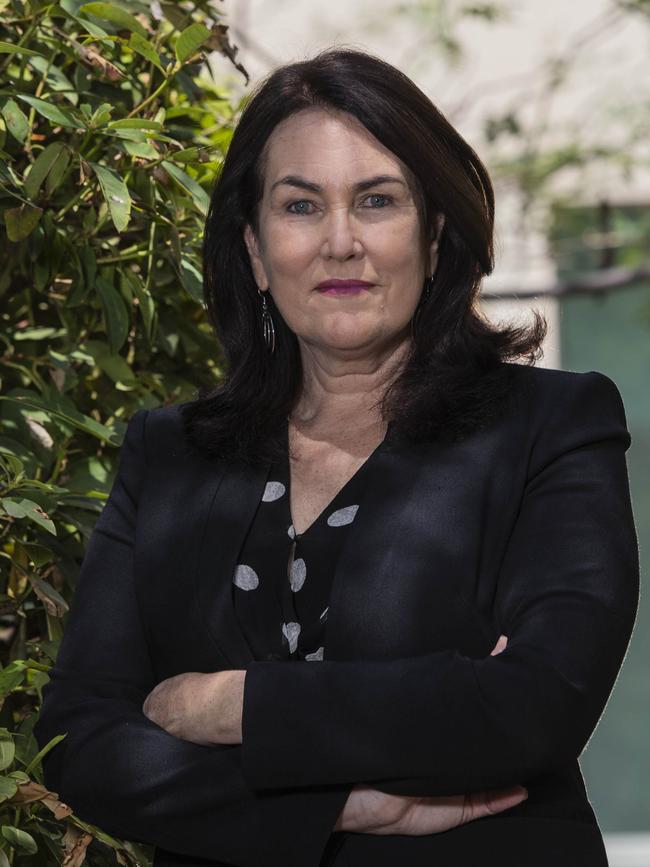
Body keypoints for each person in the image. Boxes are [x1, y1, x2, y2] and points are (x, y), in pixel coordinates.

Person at [33, 47, 639, 867]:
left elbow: (533, 704)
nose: (341, 243)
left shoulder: (551, 426)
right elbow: (79, 737)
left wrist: (229, 704)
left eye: (378, 201)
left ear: (433, 236)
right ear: (253, 248)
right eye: (301, 206)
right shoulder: (168, 452)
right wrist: (337, 805)